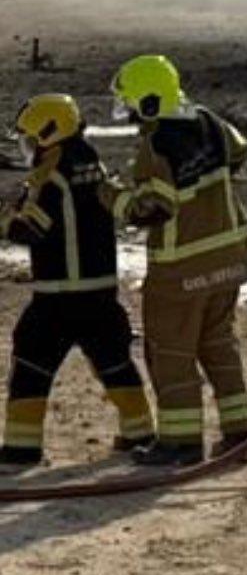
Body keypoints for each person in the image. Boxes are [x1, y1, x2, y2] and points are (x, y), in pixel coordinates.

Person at [105, 55, 247, 466]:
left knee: (171, 353)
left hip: (182, 270)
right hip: (231, 257)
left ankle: (180, 441)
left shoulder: (157, 147)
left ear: (150, 102)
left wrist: (111, 195)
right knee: (219, 345)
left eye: (133, 105)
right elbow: (239, 153)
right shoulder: (210, 121)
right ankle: (241, 433)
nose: (131, 116)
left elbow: (150, 210)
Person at [0, 94, 153, 465]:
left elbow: (30, 230)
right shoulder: (90, 163)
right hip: (100, 292)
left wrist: (5, 220)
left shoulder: (52, 178)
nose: (28, 149)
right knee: (114, 362)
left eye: (32, 141)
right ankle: (140, 433)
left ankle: (21, 450)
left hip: (58, 296)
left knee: (31, 365)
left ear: (50, 136)